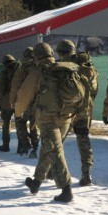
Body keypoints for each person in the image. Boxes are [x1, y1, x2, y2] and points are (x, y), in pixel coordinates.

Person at [15, 42, 74, 203]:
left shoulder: (38, 72)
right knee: (49, 149)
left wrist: (18, 113)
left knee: (55, 151)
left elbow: (23, 95)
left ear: (36, 56)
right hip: (66, 117)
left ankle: (66, 189)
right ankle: (36, 182)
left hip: (48, 119)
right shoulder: (64, 68)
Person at [55, 39, 98, 186]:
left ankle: (49, 170)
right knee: (83, 139)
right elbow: (94, 89)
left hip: (66, 109)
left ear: (60, 52)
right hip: (85, 107)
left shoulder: (60, 66)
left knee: (58, 140)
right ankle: (87, 173)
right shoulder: (87, 64)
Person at [9, 46, 39, 157]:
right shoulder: (38, 67)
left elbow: (15, 86)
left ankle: (26, 144)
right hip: (37, 100)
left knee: (20, 122)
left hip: (23, 101)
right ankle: (35, 148)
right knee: (34, 124)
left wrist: (12, 100)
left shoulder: (21, 68)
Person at [0, 54, 19, 152]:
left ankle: (6, 145)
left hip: (7, 101)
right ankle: (22, 146)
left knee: (6, 124)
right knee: (20, 124)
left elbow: (0, 90)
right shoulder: (20, 71)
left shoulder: (3, 73)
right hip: (19, 100)